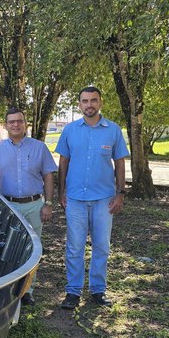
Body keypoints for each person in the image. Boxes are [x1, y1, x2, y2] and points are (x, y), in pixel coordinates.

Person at [55, 86, 129, 310]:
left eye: (93, 100)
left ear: (101, 103)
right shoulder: (69, 130)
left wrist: (120, 193)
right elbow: (63, 162)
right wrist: (61, 191)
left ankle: (98, 290)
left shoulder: (113, 130)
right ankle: (73, 292)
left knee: (101, 246)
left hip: (104, 200)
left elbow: (120, 163)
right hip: (75, 198)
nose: (89, 105)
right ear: (79, 105)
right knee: (75, 247)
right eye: (85, 101)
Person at [0, 107, 57, 305]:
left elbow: (48, 176)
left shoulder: (39, 147)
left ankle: (27, 291)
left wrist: (48, 203)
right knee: (10, 247)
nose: (15, 124)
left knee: (32, 248)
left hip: (34, 205)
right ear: (6, 125)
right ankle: (10, 287)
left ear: (25, 124)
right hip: (8, 206)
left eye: (19, 121)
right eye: (11, 121)